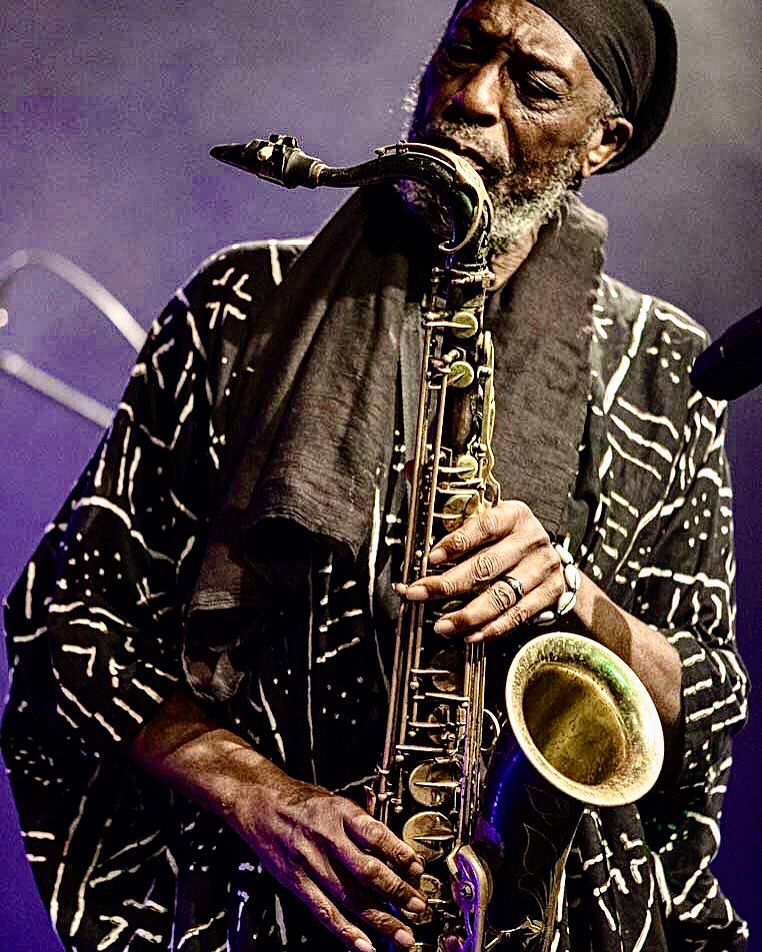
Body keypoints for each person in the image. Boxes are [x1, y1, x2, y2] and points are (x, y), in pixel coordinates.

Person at [1, 0, 750, 949]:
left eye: (532, 84)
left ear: (603, 142)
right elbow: (68, 623)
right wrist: (260, 796)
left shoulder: (665, 369)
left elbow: (708, 700)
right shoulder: (236, 307)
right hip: (262, 915)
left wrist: (574, 598)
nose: (472, 98)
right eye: (465, 51)